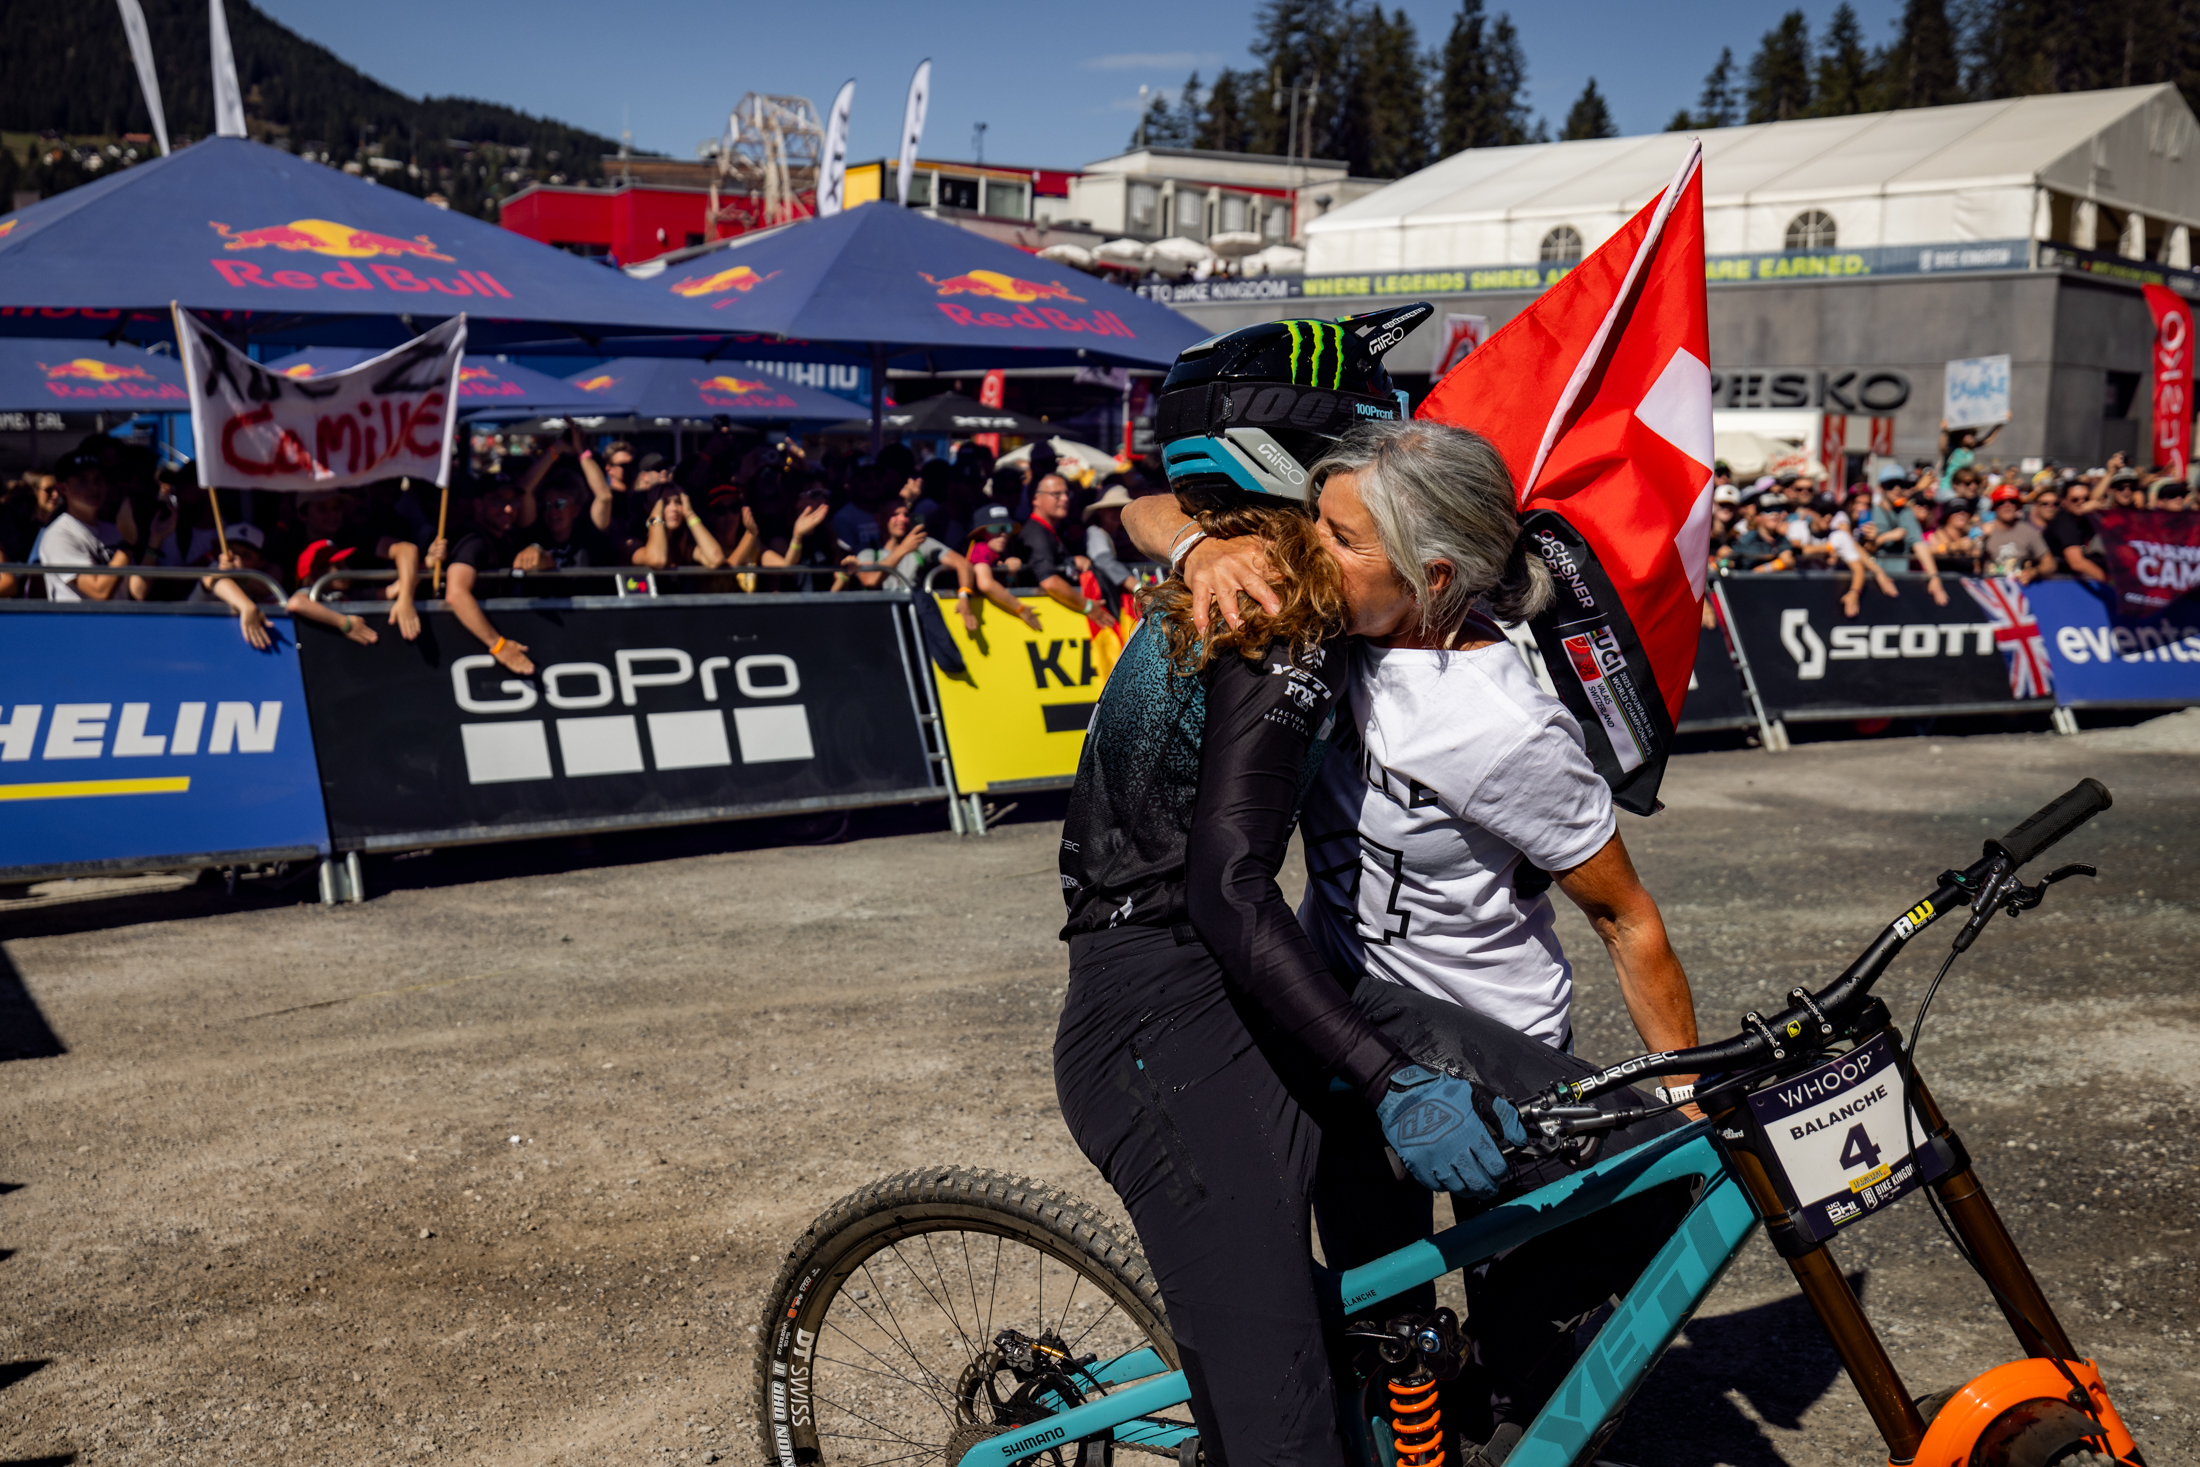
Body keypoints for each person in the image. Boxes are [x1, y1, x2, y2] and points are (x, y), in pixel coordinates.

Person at [433, 482, 536, 676]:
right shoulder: (473, 541)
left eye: (513, 501)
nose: (508, 508)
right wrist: (499, 646)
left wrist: (537, 551)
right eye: (498, 501)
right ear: (478, 505)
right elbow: (456, 594)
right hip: (463, 648)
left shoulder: (507, 537)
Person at [30, 450, 131, 602]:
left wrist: (156, 539)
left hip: (119, 624)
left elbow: (137, 591)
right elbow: (99, 592)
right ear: (63, 489)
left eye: (98, 479)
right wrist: (128, 544)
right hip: (80, 625)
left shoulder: (115, 530)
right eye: (82, 480)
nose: (94, 487)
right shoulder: (58, 535)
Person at [1021, 473, 1117, 626]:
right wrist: (1088, 606)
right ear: (1035, 499)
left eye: (1067, 493)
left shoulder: (1049, 530)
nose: (1065, 499)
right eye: (1056, 494)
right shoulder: (1036, 533)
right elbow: (1049, 581)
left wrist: (1071, 561)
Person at [2044, 477, 2109, 583]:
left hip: (2065, 579)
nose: (2081, 502)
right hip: (2055, 581)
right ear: (2063, 501)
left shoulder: (2083, 519)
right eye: (2075, 499)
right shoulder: (2064, 521)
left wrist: (2110, 473)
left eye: (2085, 499)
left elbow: (2096, 498)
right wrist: (2110, 583)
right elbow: (2076, 562)